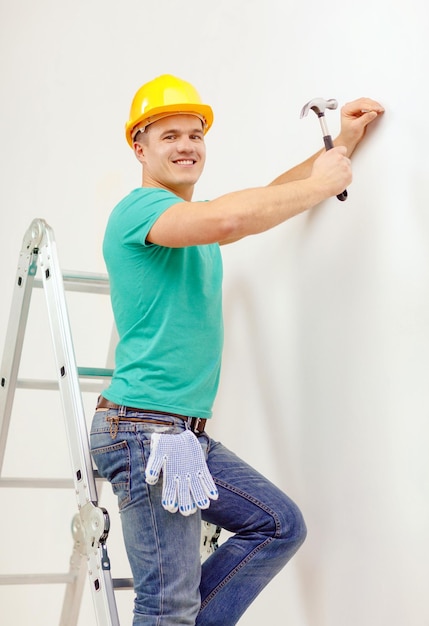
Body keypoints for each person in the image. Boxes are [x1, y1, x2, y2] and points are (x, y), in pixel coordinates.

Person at [90, 74, 384, 625]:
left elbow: (258, 201)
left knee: (278, 525)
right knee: (168, 603)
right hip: (143, 431)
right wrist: (323, 185)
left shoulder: (192, 226)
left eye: (194, 134)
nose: (186, 146)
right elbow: (230, 219)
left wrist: (340, 143)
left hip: (180, 434)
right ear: (140, 148)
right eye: (169, 135)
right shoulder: (139, 210)